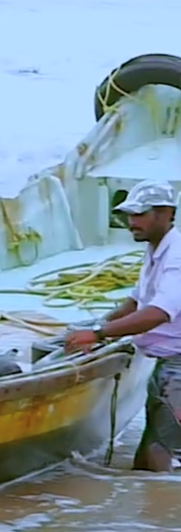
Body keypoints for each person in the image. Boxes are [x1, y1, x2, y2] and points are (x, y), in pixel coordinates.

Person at [64, 178, 181, 472]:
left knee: (161, 453)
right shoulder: (156, 250)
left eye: (140, 214)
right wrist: (96, 326)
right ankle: (153, 508)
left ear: (166, 213)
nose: (132, 222)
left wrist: (99, 333)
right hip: (166, 366)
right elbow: (136, 302)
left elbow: (158, 313)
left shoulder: (177, 255)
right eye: (130, 214)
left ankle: (162, 510)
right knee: (148, 457)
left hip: (177, 368)